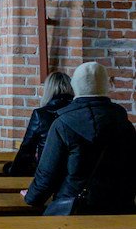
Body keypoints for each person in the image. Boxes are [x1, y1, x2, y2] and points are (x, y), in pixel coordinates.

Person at [25, 62, 136, 215]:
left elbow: (47, 175)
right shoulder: (124, 124)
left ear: (75, 86)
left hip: (74, 208)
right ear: (106, 86)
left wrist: (32, 198)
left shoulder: (63, 124)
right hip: (119, 208)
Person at [5, 71, 74, 176]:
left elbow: (27, 150)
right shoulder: (78, 112)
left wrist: (12, 172)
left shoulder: (41, 115)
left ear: (48, 90)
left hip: (48, 174)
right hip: (74, 173)